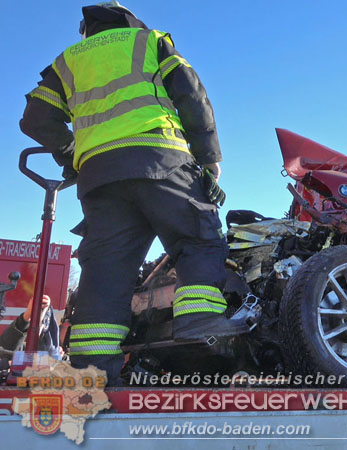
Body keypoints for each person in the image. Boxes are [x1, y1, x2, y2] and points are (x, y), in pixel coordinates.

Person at [19, 2, 245, 385]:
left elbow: (35, 118)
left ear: (87, 28)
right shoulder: (149, 42)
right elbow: (192, 97)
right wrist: (209, 161)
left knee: (106, 273)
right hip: (161, 159)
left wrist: (71, 152)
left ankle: (92, 374)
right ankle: (198, 319)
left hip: (100, 178)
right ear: (127, 18)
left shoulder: (68, 61)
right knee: (198, 236)